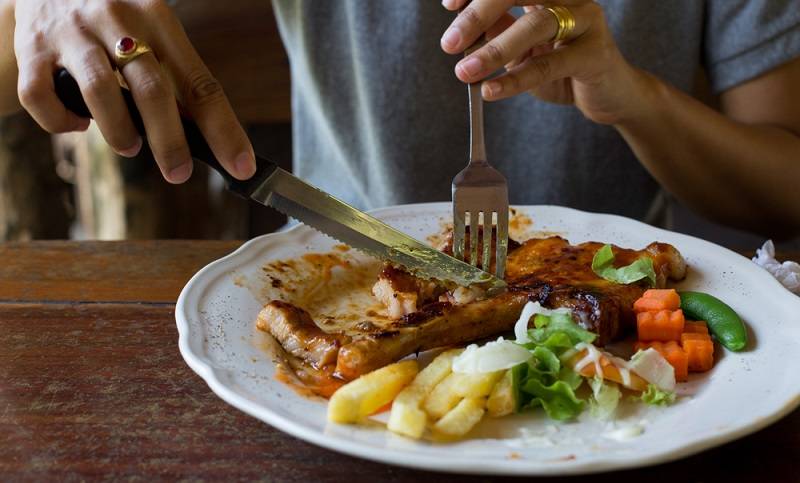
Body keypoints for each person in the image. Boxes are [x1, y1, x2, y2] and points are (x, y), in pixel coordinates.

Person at [0, 0, 799, 238]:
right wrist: (38, 13)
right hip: (329, 288)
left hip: (622, 341)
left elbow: (784, 190)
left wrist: (636, 98)